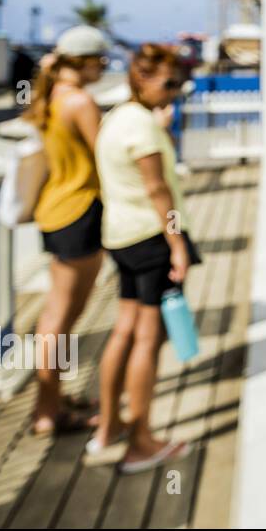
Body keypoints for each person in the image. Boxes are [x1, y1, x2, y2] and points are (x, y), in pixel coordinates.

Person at [90, 44, 199, 472]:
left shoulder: (117, 118)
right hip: (152, 239)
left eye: (179, 83)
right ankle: (140, 442)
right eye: (168, 83)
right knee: (148, 340)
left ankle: (107, 430)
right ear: (141, 79)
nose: (174, 92)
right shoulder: (143, 128)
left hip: (121, 237)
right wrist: (176, 245)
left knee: (125, 330)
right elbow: (159, 190)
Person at [22, 25, 110, 436]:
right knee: (62, 317)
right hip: (79, 211)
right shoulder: (81, 102)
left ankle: (51, 399)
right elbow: (108, 157)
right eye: (101, 60)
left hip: (54, 209)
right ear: (83, 61)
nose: (105, 67)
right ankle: (47, 411)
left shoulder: (52, 96)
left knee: (56, 315)